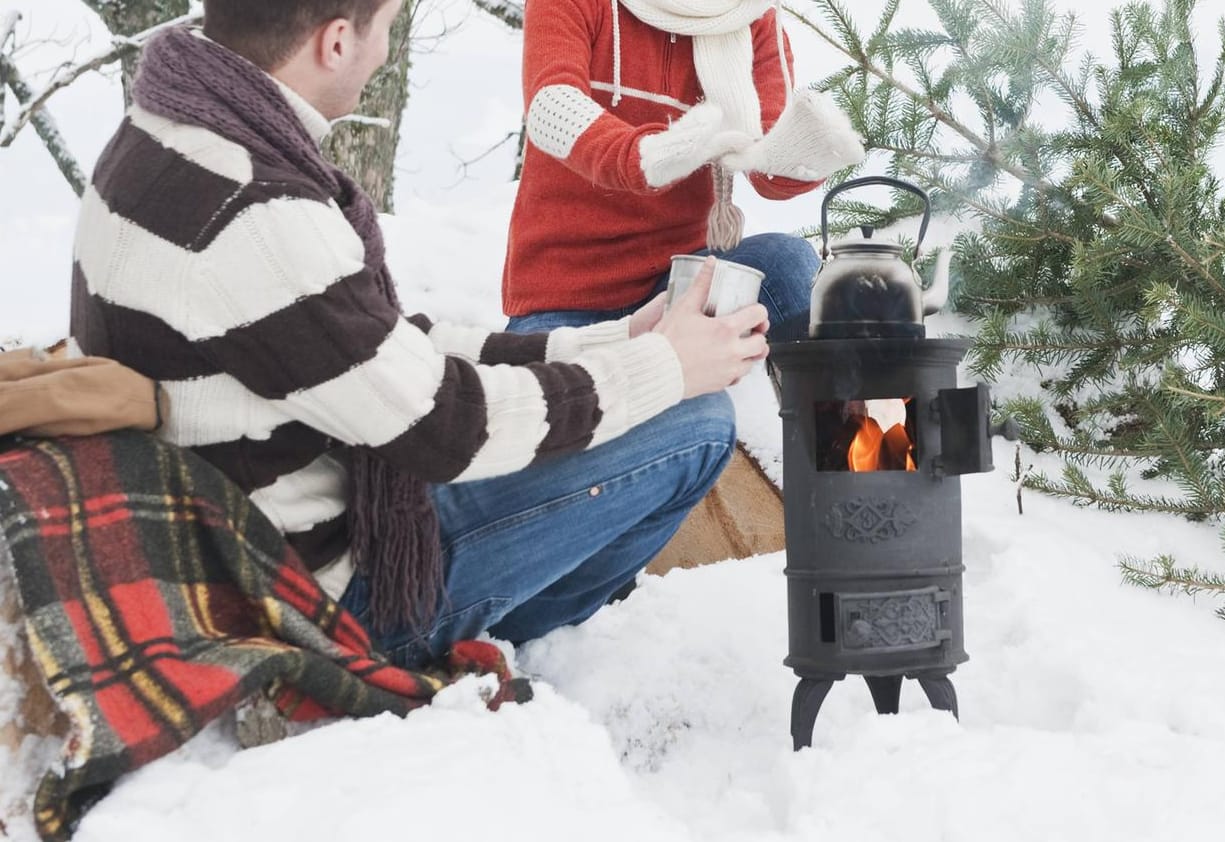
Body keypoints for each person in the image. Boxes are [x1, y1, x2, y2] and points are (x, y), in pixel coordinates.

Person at [68, 0, 771, 669]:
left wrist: (607, 342)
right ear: (337, 40)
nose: (382, 54)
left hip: (244, 531)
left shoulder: (167, 136)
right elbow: (446, 427)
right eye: (386, 29)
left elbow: (374, 344)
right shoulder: (257, 211)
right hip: (325, 599)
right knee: (696, 423)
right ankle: (509, 631)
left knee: (662, 392)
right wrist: (661, 366)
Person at [502, 0, 865, 342]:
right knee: (570, 405)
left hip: (680, 286)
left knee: (787, 261)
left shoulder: (749, 13)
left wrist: (807, 152)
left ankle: (830, 404)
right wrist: (644, 158)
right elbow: (551, 107)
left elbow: (768, 173)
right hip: (562, 299)